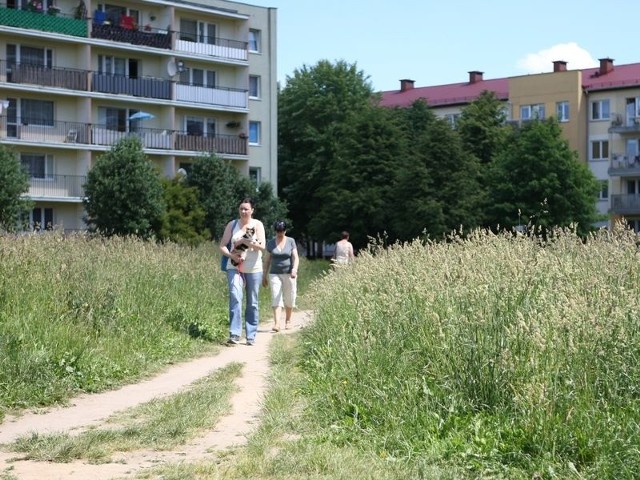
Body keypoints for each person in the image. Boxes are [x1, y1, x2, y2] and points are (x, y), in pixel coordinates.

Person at [219, 198, 266, 346]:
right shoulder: (232, 225)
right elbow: (222, 246)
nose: (243, 211)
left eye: (246, 209)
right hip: (234, 267)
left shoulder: (257, 225)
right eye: (241, 209)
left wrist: (245, 242)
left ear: (252, 210)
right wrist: (231, 255)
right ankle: (234, 334)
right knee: (235, 298)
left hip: (254, 269)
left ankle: (250, 335)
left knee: (252, 302)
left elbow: (262, 246)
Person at [262, 220, 299, 332]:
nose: (280, 233)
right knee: (276, 296)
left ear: (285, 230)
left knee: (289, 297)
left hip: (289, 273)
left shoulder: (291, 241)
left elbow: (295, 257)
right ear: (275, 231)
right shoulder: (271, 243)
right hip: (274, 273)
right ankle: (277, 323)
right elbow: (267, 260)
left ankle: (288, 321)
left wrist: (294, 269)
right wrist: (264, 275)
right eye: (278, 231)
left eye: (282, 231)